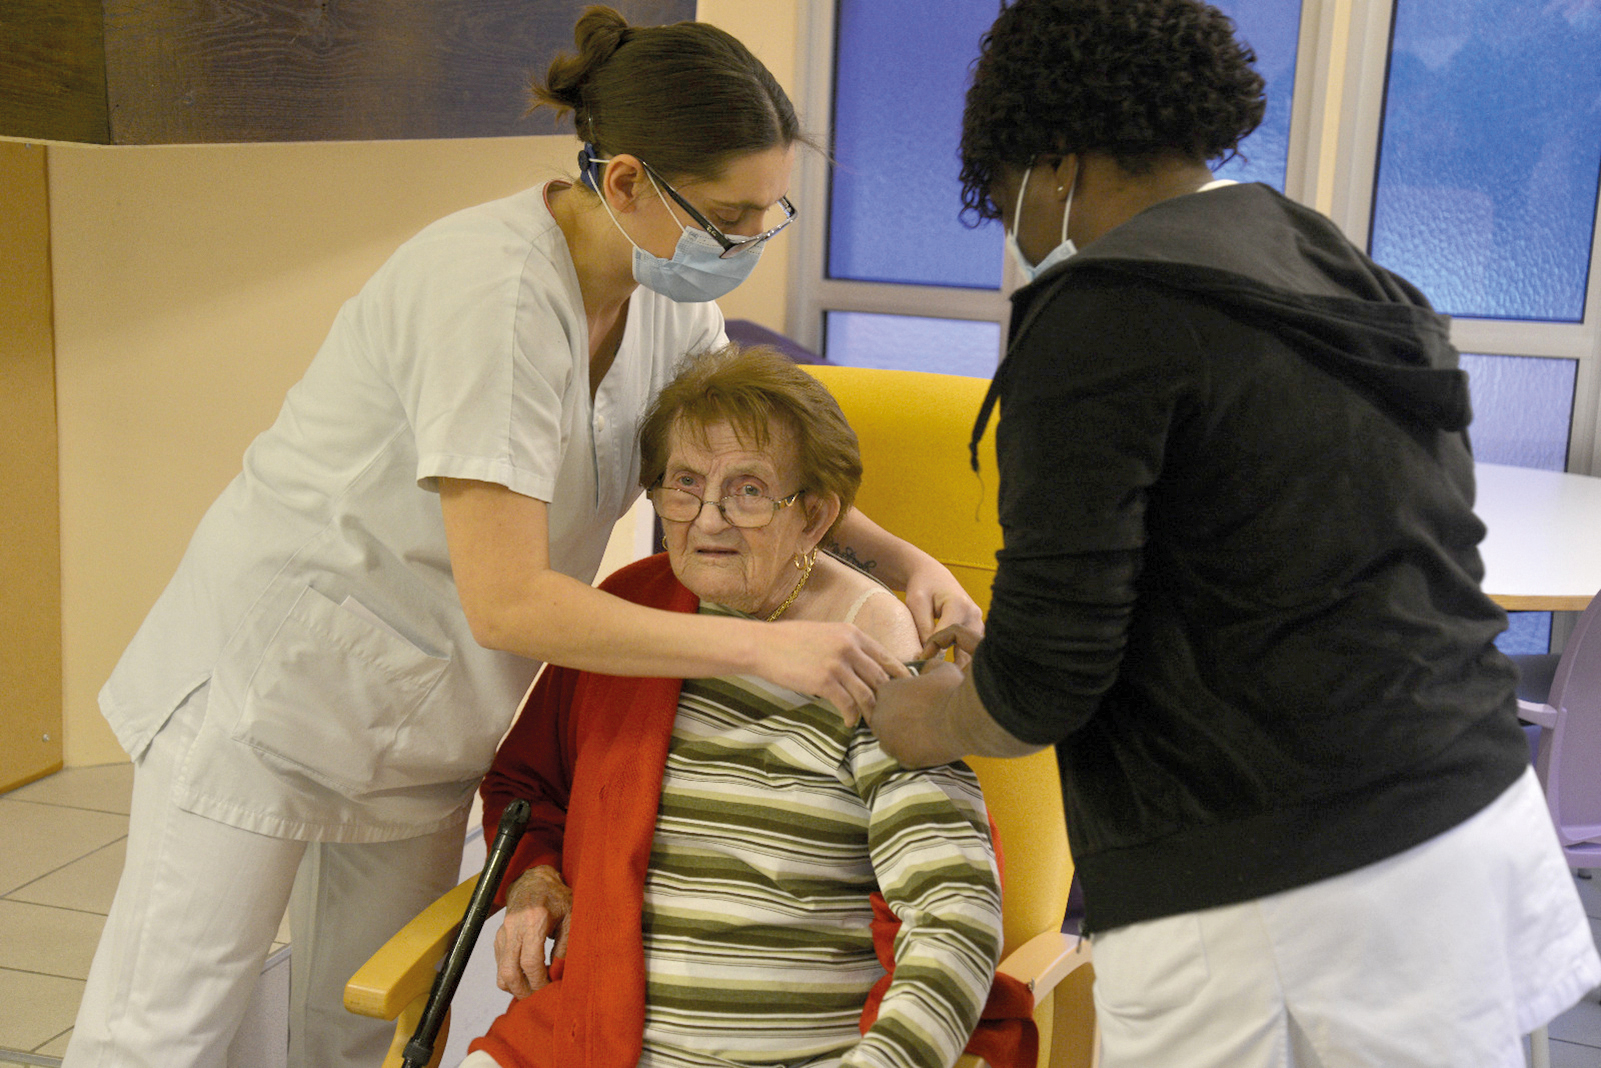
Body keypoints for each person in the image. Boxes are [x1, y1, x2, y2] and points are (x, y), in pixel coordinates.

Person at [65, 9, 980, 1068]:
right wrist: (767, 648)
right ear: (627, 182)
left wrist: (901, 560)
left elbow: (749, 457)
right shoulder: (489, 295)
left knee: (356, 1034)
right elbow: (508, 601)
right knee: (162, 1031)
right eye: (729, 218)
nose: (743, 244)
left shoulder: (661, 298)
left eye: (764, 216)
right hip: (270, 687)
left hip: (427, 709)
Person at [867, 1, 1601, 1066]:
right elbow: (1284, 554)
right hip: (1465, 813)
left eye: (999, 185)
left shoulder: (1101, 316)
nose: (1007, 222)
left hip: (1271, 873)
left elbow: (1040, 694)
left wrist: (925, 716)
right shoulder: (1330, 266)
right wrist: (1027, 643)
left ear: (1053, 155)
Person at [461, 345, 1008, 1068]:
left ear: (814, 517)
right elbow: (525, 788)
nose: (708, 520)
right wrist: (535, 877)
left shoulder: (872, 658)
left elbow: (953, 913)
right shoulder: (628, 614)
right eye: (684, 485)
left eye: (748, 491)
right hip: (589, 1037)